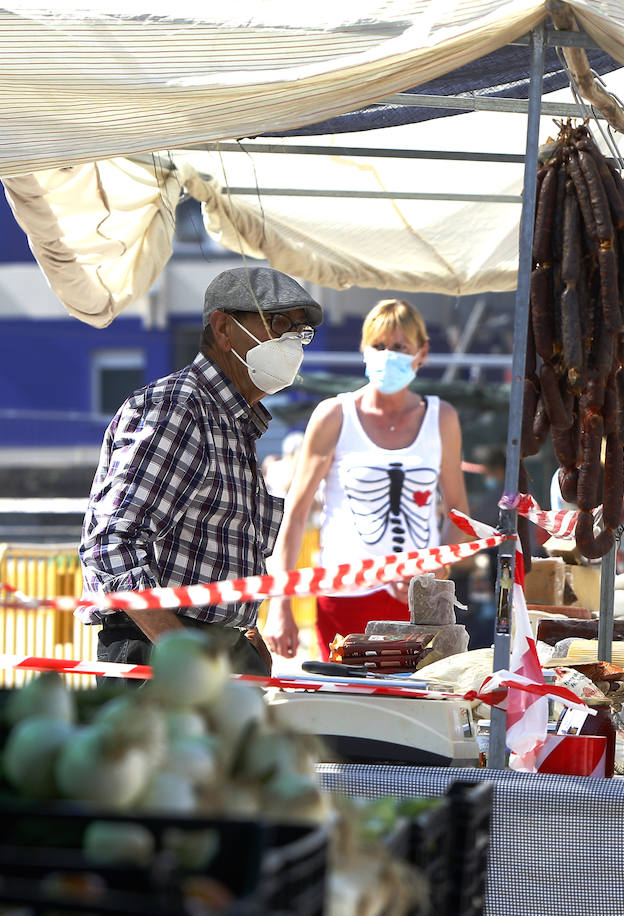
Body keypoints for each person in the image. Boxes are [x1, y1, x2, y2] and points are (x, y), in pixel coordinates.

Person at [80, 266, 322, 676]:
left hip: (210, 649)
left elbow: (213, 544)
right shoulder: (178, 408)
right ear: (224, 329)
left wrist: (243, 632)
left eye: (300, 331)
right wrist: (182, 649)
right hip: (161, 652)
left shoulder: (234, 420)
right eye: (279, 324)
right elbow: (110, 544)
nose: (291, 341)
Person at [263, 299, 469, 661]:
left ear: (421, 354)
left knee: (419, 708)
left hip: (421, 604)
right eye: (379, 346)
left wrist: (436, 572)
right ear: (363, 350)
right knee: (347, 709)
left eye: (400, 347)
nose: (389, 356)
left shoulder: (442, 418)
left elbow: (458, 515)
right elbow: (294, 516)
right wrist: (280, 607)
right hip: (344, 599)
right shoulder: (334, 415)